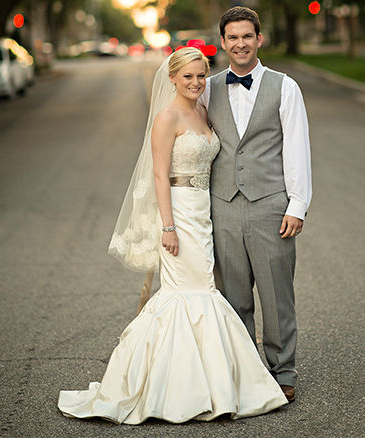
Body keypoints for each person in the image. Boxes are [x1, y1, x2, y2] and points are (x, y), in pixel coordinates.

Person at [58, 47, 288, 424]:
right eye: (188, 77)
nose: (196, 82)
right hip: (179, 213)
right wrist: (168, 226)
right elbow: (159, 175)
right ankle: (175, 388)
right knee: (185, 293)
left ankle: (211, 384)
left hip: (204, 212)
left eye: (201, 75)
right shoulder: (166, 117)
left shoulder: (202, 111)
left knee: (204, 289)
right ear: (172, 79)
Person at [199, 7, 312, 404]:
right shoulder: (208, 88)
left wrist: (297, 204)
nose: (240, 44)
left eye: (247, 36)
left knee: (277, 296)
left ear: (259, 39)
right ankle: (247, 373)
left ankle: (283, 372)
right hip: (223, 206)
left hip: (270, 206)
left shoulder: (284, 87)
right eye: (232, 37)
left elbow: (296, 147)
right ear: (223, 42)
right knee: (234, 298)